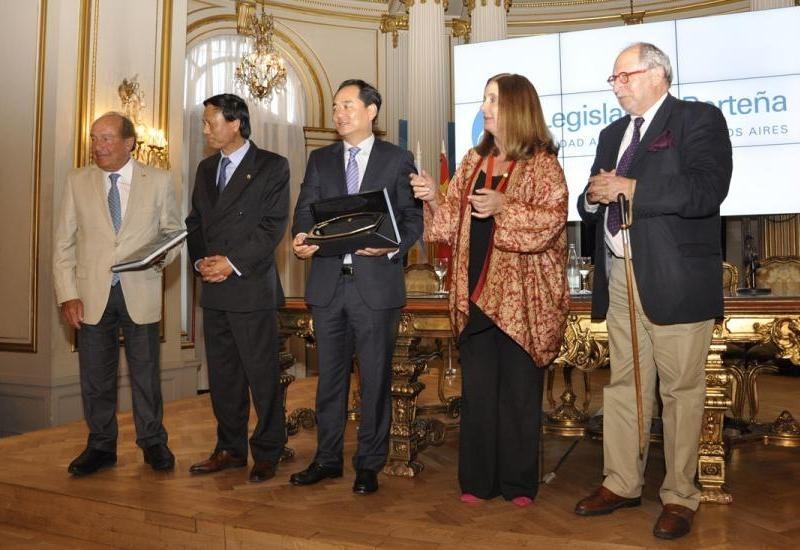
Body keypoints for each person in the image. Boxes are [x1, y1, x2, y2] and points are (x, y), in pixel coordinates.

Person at [574, 43, 732, 540]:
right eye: (614, 79)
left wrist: (632, 188)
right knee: (625, 384)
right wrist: (592, 197)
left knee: (680, 389)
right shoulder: (611, 134)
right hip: (620, 274)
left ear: (659, 75)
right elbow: (593, 196)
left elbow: (707, 191)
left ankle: (680, 494)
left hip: (676, 276)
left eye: (626, 76)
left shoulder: (697, 119)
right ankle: (621, 482)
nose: (617, 86)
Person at [410, 73, 569, 507]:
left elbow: (551, 223)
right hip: (474, 296)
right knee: (478, 394)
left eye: (493, 100)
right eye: (484, 99)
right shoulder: (472, 161)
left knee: (518, 395)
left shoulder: (542, 164)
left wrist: (504, 206)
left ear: (517, 107)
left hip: (521, 303)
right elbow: (447, 226)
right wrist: (432, 197)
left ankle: (518, 484)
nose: (484, 108)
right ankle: (477, 482)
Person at [290, 79, 422, 495]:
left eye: (347, 105)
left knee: (375, 379)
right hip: (328, 286)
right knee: (329, 379)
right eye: (335, 107)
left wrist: (390, 247)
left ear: (371, 111)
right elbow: (304, 211)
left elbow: (412, 220)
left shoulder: (397, 159)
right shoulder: (320, 159)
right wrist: (300, 237)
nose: (339, 114)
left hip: (376, 287)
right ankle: (327, 459)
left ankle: (368, 463)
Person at [53, 112, 183, 475]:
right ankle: (100, 446)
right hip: (90, 295)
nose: (98, 146)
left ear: (129, 143)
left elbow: (173, 234)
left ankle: (153, 442)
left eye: (107, 138)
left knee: (146, 374)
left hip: (140, 290)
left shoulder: (158, 181)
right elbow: (63, 244)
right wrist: (67, 294)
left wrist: (159, 258)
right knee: (95, 377)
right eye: (94, 138)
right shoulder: (77, 181)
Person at [185, 93, 290, 483]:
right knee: (224, 377)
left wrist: (230, 263)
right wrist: (200, 262)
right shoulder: (205, 168)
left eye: (210, 122)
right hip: (214, 288)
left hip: (250, 287)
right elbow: (195, 223)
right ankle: (229, 448)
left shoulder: (272, 166)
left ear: (235, 123)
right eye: (204, 122)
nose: (205, 130)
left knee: (262, 376)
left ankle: (268, 450)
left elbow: (272, 226)